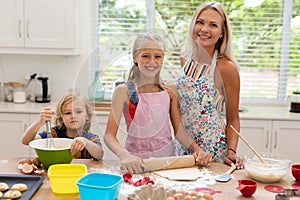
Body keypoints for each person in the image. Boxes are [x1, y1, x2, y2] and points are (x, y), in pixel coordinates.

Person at [104, 33, 212, 174]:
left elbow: (179, 132)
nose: (152, 62)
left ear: (163, 59)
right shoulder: (124, 91)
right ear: (135, 57)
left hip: (167, 162)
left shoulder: (169, 90)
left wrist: (198, 151)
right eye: (145, 56)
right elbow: (109, 135)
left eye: (157, 56)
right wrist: (124, 155)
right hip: (136, 164)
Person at [173, 2, 244, 169]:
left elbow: (233, 117)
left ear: (221, 33)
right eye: (200, 22)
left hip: (212, 152)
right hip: (182, 148)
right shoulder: (184, 60)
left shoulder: (226, 68)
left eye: (213, 25)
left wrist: (231, 151)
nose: (204, 29)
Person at [22, 92, 104, 160]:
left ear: (88, 116)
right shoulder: (54, 134)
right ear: (61, 119)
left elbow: (99, 155)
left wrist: (85, 142)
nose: (73, 116)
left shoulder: (91, 138)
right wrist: (38, 122)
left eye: (78, 112)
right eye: (68, 113)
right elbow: (26, 141)